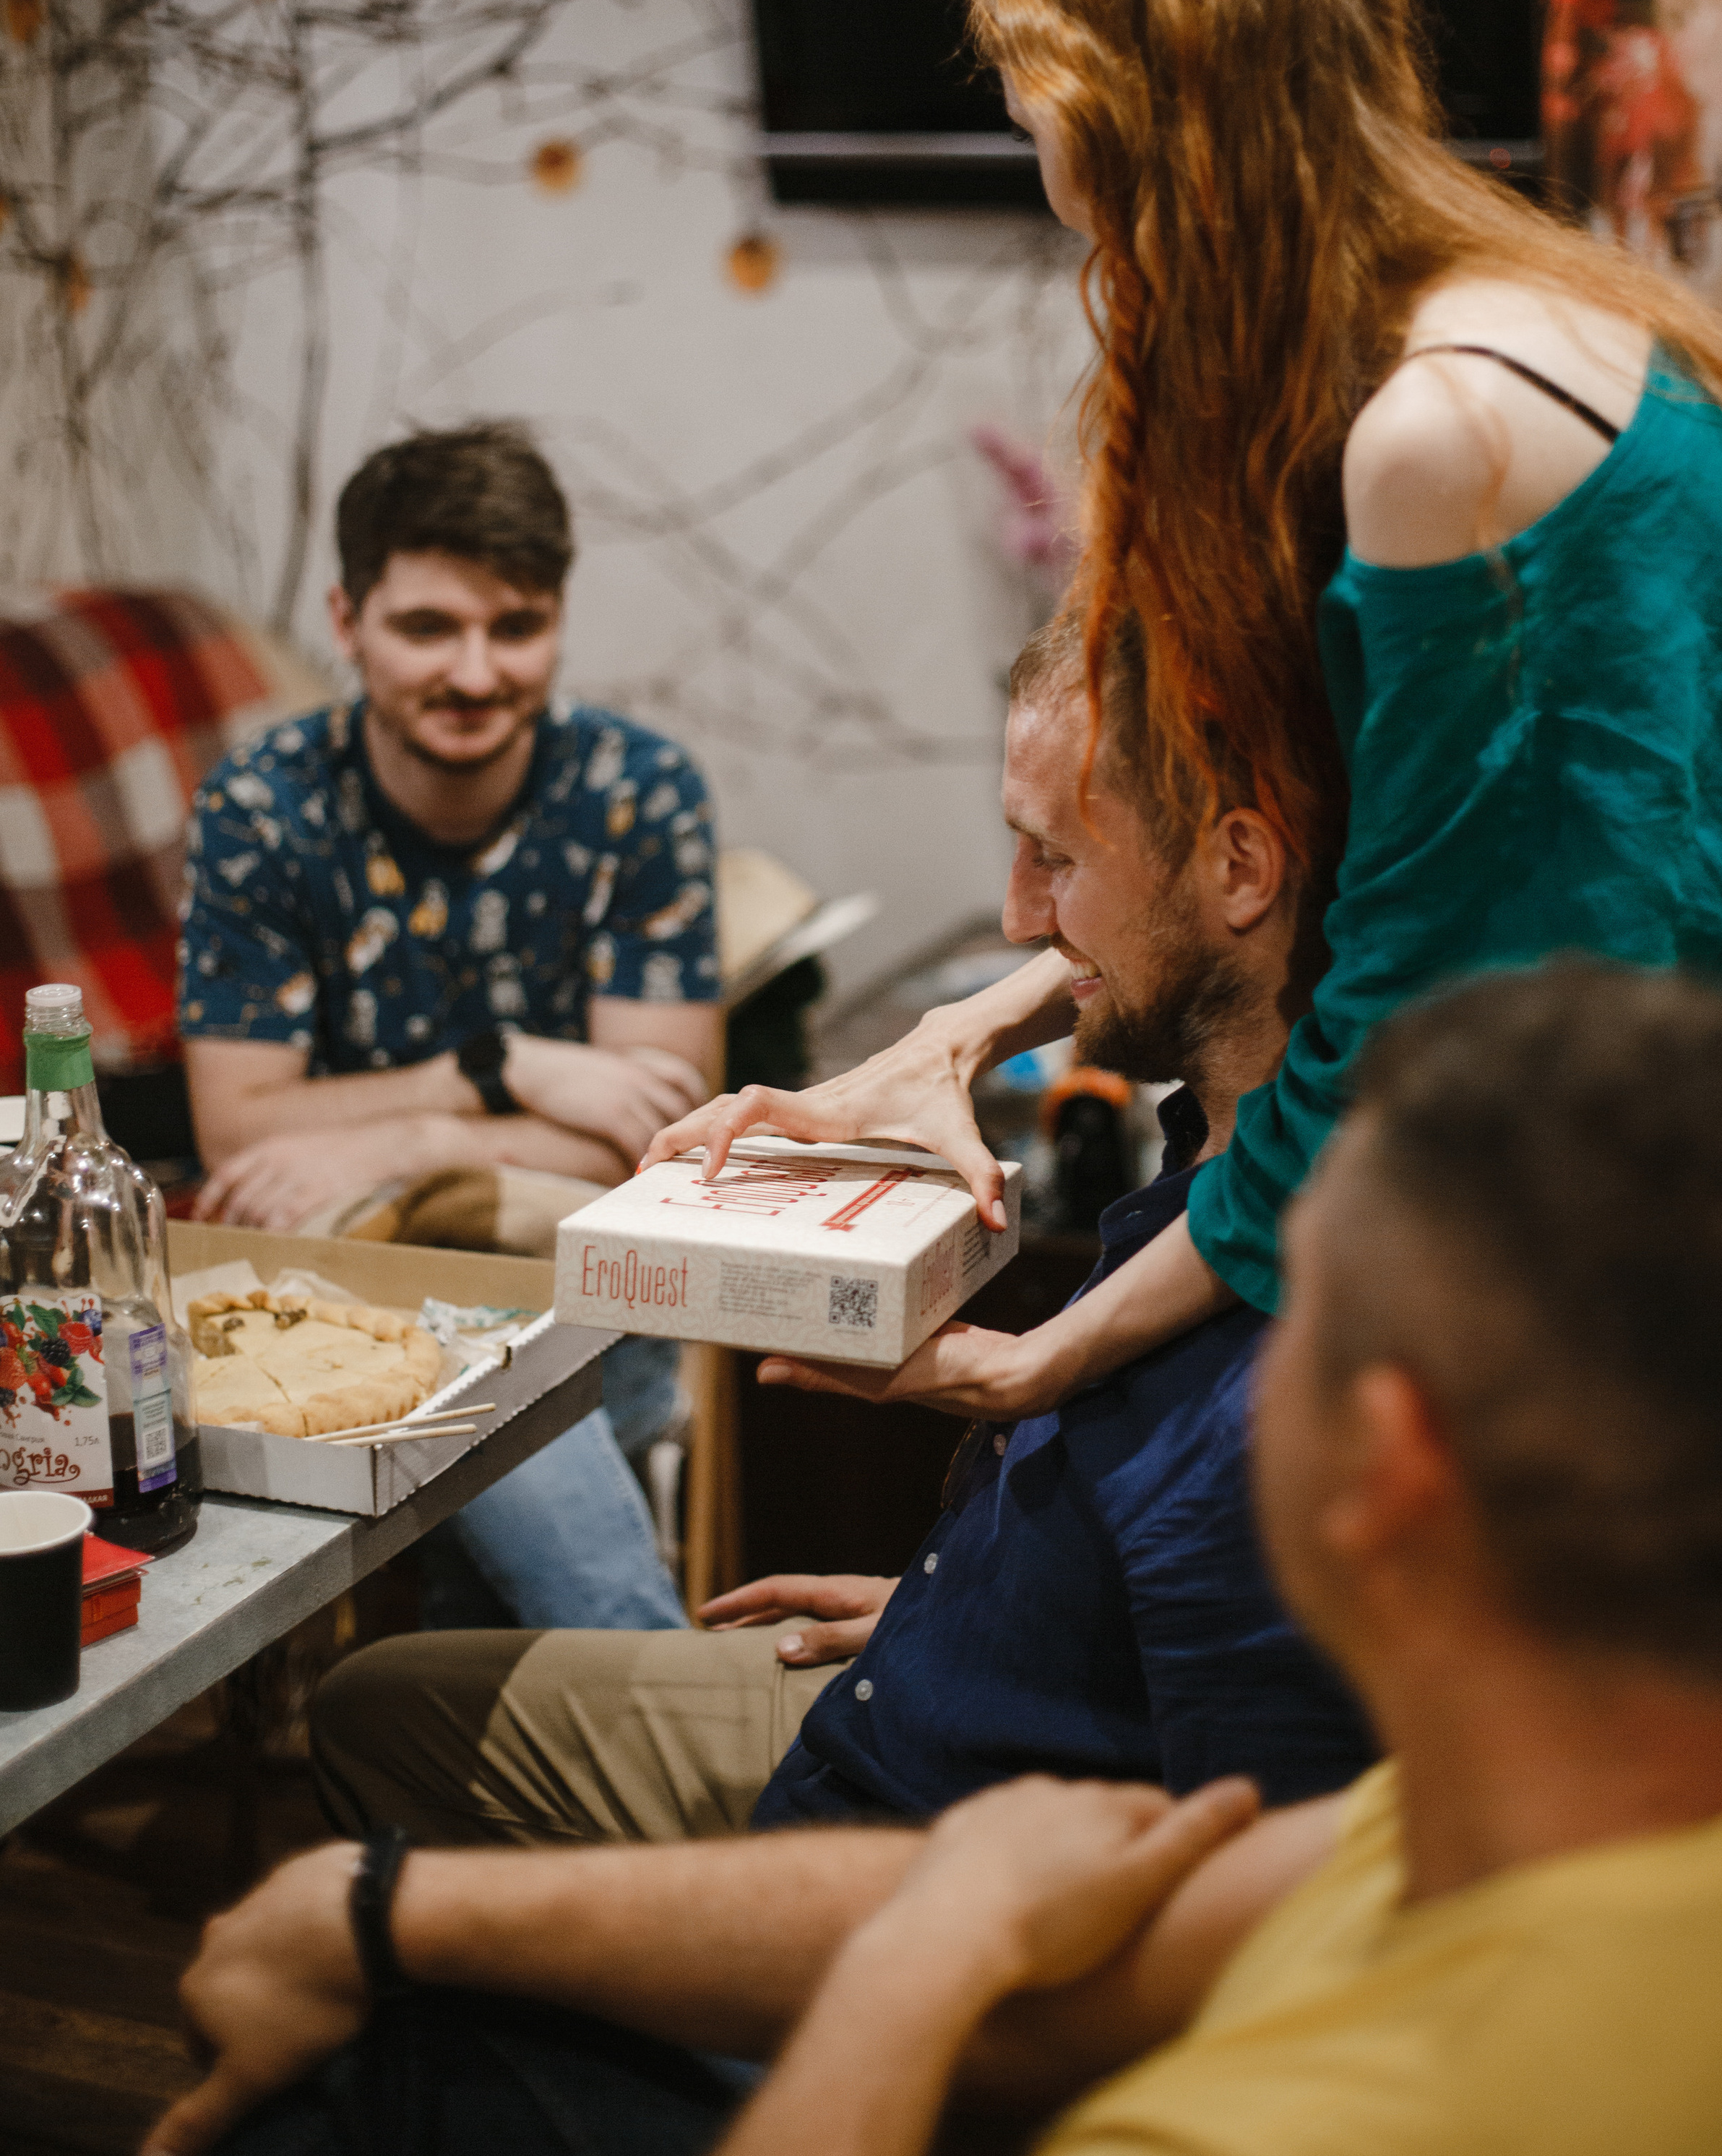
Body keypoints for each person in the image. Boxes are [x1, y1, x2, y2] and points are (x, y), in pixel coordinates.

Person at [647, 0, 1722, 1701]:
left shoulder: (1447, 436)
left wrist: (1052, 1354)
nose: (1039, 162)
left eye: (1043, 101)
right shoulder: (1436, 338)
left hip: (1698, 1248)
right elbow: (1361, 869)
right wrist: (957, 1037)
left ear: (1143, 117)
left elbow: (1424, 1037)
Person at [138, 962, 1722, 2156]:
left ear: (1389, 1465)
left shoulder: (1222, 2146)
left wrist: (923, 1960)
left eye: (1289, 1311)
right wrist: (381, 1907)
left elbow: (988, 1956)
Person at [306, 605, 1372, 1849]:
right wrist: (990, 1602)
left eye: (1058, 859)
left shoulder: (1274, 1388)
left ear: (1243, 869)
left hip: (908, 1838)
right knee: (382, 1704)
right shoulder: (1237, 1130)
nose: (1021, 918)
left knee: (362, 1860)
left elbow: (1232, 1882)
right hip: (939, 1662)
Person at [178, 419, 721, 1631]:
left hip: (575, 1284)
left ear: (559, 622)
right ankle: (661, 1723)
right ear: (347, 618)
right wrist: (504, 1070)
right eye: (428, 626)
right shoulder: (264, 806)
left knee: (478, 1575)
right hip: (347, 1288)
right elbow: (239, 1132)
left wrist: (405, 1141)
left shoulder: (640, 793)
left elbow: (675, 1145)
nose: (475, 673)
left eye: (515, 627)